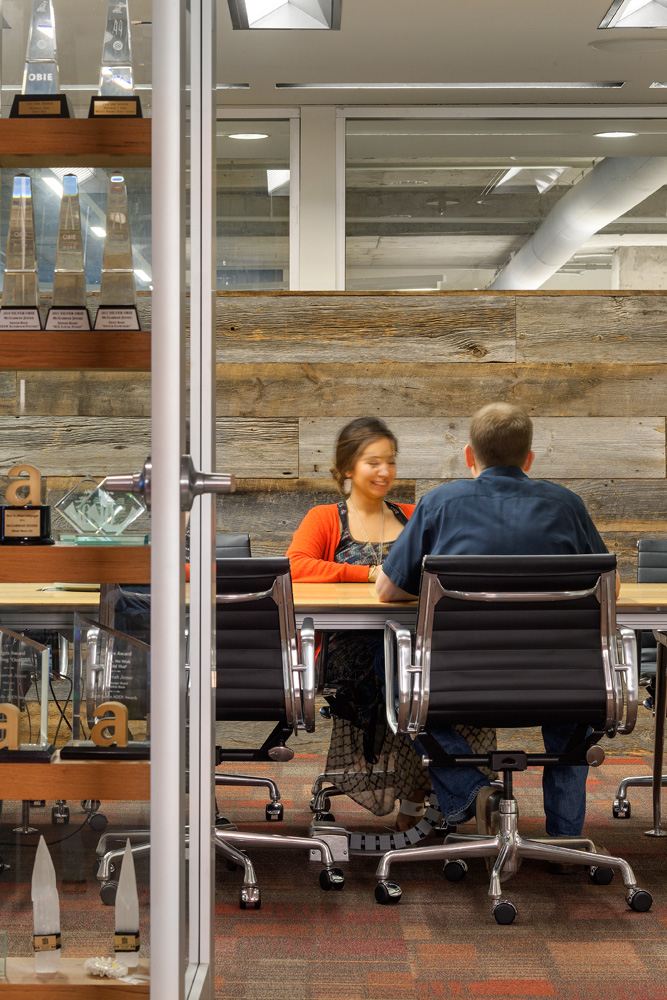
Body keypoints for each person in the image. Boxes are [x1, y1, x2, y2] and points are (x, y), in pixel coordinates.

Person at [376, 401, 618, 848]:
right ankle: (567, 841)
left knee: (387, 662)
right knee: (573, 718)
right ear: (528, 459)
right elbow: (609, 591)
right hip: (562, 684)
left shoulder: (438, 504)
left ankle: (468, 789)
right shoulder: (567, 506)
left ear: (470, 455)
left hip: (458, 685)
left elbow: (387, 593)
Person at [286, 417, 431, 829]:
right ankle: (431, 792)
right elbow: (296, 566)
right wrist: (368, 574)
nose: (384, 471)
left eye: (390, 461)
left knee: (423, 668)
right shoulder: (326, 517)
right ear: (347, 468)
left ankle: (437, 787)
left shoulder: (412, 516)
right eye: (373, 462)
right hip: (344, 647)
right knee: (402, 672)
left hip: (410, 641)